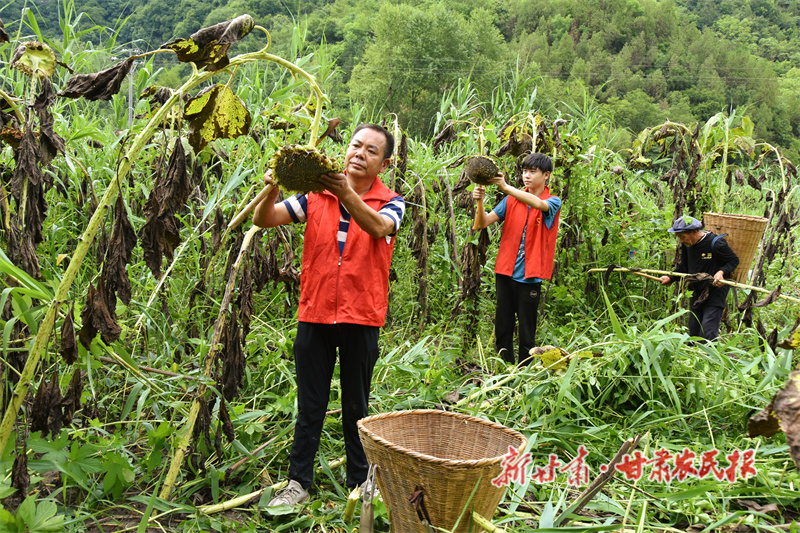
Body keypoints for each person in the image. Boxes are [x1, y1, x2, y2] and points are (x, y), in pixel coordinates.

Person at [253, 123, 405, 506]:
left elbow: (378, 228)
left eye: (371, 151)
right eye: (356, 145)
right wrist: (272, 188)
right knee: (310, 406)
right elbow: (264, 219)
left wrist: (345, 193)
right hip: (315, 313)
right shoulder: (314, 197)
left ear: (384, 164)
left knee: (356, 406)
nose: (360, 154)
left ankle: (361, 483)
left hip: (361, 317)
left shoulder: (391, 202)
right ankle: (298, 484)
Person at [472, 152, 561, 365]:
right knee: (503, 325)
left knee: (526, 330)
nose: (526, 176)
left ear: (546, 175)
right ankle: (504, 368)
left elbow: (538, 204)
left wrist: (505, 187)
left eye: (532, 172)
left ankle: (524, 372)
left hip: (529, 276)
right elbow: (482, 223)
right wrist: (480, 201)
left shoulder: (553, 201)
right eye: (524, 171)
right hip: (505, 271)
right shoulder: (510, 200)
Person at [659, 215, 739, 342]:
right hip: (696, 291)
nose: (681, 240)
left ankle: (709, 353)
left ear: (694, 231)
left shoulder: (716, 243)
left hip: (715, 291)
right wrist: (671, 278)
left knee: (708, 331)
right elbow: (684, 266)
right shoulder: (687, 245)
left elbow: (733, 261)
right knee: (694, 331)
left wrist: (721, 272)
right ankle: (692, 353)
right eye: (679, 237)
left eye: (682, 236)